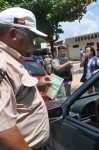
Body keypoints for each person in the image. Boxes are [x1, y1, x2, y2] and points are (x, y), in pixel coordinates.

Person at [0, 7, 52, 150]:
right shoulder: (2, 64)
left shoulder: (12, 58)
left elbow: (14, 95)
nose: (32, 44)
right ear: (13, 34)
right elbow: (3, 130)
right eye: (31, 37)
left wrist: (36, 86)